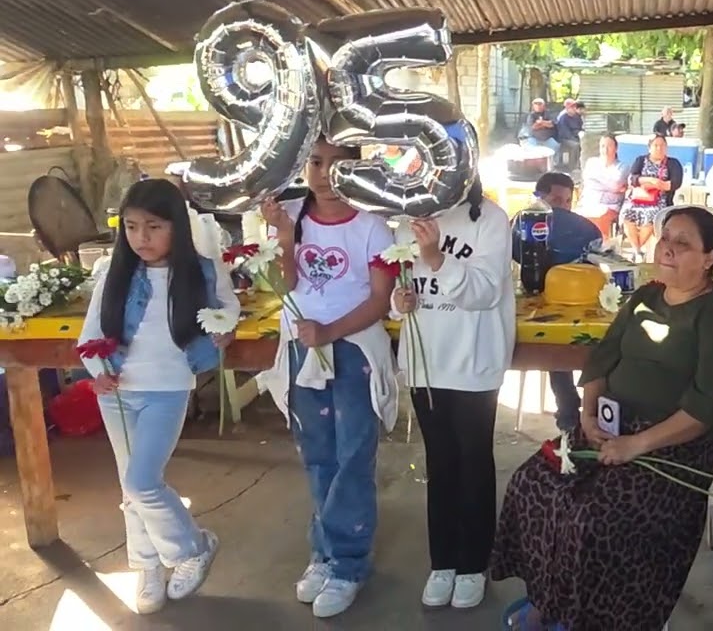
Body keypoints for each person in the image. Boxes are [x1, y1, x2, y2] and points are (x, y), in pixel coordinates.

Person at [491, 207, 713, 631]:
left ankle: (589, 617)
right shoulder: (646, 297)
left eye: (683, 242)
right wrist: (588, 411)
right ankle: (548, 599)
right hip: (608, 430)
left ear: (710, 258)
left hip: (671, 450)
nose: (667, 246)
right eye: (665, 235)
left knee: (593, 516)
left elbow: (707, 408)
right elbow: (603, 358)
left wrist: (637, 443)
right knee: (532, 485)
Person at [78, 179, 237, 615]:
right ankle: (145, 567)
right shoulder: (115, 273)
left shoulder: (202, 270)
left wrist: (223, 329)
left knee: (142, 481)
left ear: (177, 228)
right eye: (130, 227)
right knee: (130, 486)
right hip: (117, 393)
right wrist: (98, 372)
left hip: (167, 389)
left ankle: (191, 547)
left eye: (153, 227)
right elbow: (89, 334)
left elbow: (228, 308)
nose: (141, 238)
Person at [257, 138, 397, 618]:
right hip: (302, 350)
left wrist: (329, 331)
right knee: (315, 453)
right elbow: (288, 283)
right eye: (316, 162)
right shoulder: (289, 213)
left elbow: (379, 301)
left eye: (339, 164)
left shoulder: (375, 226)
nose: (324, 174)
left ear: (358, 171)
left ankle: (350, 564)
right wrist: (285, 236)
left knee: (352, 454)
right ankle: (324, 552)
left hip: (353, 349)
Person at [390, 182, 515, 610]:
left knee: (473, 462)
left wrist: (435, 257)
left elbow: (484, 293)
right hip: (426, 363)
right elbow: (402, 284)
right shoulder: (409, 219)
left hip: (473, 362)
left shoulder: (491, 220)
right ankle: (442, 561)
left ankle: (473, 563)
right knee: (440, 464)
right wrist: (400, 300)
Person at [514, 172, 603, 431]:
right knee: (553, 345)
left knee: (592, 345)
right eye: (556, 200)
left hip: (575, 302)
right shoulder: (519, 225)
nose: (562, 208)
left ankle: (591, 411)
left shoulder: (584, 232)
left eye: (567, 202)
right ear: (539, 198)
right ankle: (567, 409)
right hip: (533, 301)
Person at [620, 134, 684, 262]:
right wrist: (651, 180)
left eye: (662, 145)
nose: (659, 148)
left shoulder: (673, 163)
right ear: (649, 147)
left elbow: (674, 183)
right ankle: (637, 251)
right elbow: (632, 179)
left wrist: (651, 184)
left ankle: (637, 252)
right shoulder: (640, 160)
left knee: (652, 216)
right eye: (656, 145)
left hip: (660, 201)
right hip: (638, 199)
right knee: (626, 215)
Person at [578, 134, 627, 237]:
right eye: (603, 146)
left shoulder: (623, 167)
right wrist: (610, 185)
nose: (605, 149)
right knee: (577, 219)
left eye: (609, 146)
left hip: (610, 204)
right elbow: (588, 180)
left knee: (600, 220)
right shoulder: (591, 162)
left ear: (616, 148)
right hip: (589, 202)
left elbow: (615, 185)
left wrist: (596, 180)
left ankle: (602, 245)